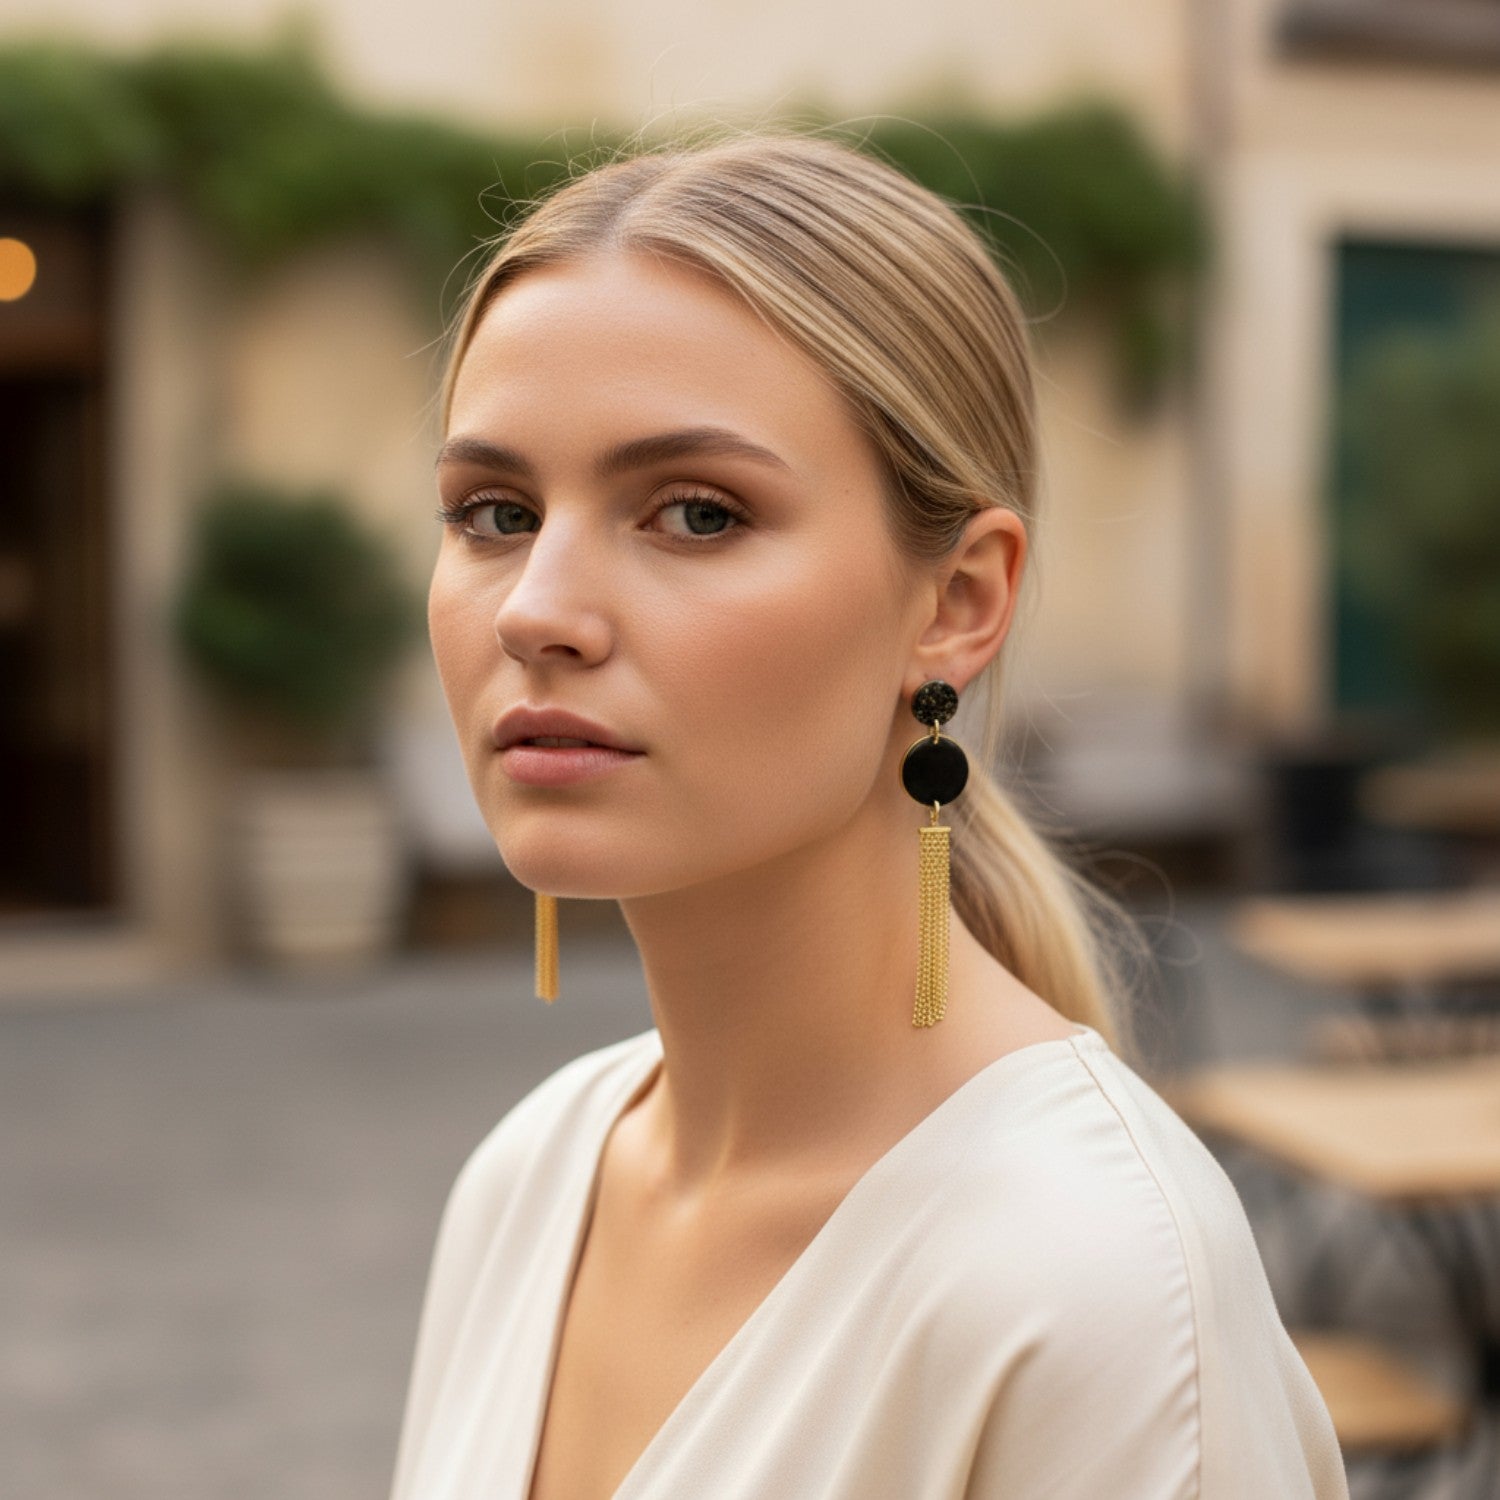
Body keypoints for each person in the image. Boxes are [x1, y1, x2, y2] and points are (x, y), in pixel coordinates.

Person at [388, 130, 1350, 1500]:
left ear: (957, 603)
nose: (536, 607)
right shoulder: (533, 1174)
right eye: (492, 510)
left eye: (697, 514)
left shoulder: (1097, 1287)